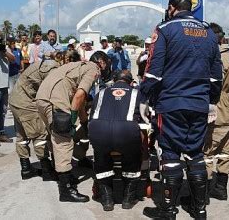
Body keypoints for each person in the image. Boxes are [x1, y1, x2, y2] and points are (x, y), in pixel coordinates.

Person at [141, 0, 222, 219]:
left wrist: (144, 98)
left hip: (171, 103)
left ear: (171, 7)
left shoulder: (165, 29)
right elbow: (216, 75)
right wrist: (212, 101)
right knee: (195, 153)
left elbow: (154, 71)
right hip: (199, 103)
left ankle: (167, 210)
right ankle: (200, 209)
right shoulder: (208, 31)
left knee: (170, 154)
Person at [36, 58, 100, 202]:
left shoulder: (75, 66)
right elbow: (79, 96)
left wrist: (84, 124)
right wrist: (70, 122)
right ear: (101, 62)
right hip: (55, 100)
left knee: (55, 139)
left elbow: (80, 102)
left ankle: (63, 172)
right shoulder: (92, 68)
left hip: (42, 98)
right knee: (63, 142)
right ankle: (65, 190)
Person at [89, 70, 142, 211]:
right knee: (133, 158)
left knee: (101, 158)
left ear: (113, 81)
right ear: (131, 82)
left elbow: (92, 115)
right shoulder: (137, 93)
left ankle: (107, 200)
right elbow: (145, 116)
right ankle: (128, 200)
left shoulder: (101, 92)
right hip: (126, 132)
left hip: (99, 131)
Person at [9, 52, 66, 180]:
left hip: (16, 100)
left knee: (22, 135)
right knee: (40, 135)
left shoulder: (45, 64)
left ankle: (26, 169)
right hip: (25, 103)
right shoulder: (53, 69)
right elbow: (52, 91)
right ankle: (46, 170)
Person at [203, 22, 229, 201]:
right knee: (225, 150)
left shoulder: (216, 56)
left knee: (207, 151)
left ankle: (204, 193)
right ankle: (221, 188)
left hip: (216, 104)